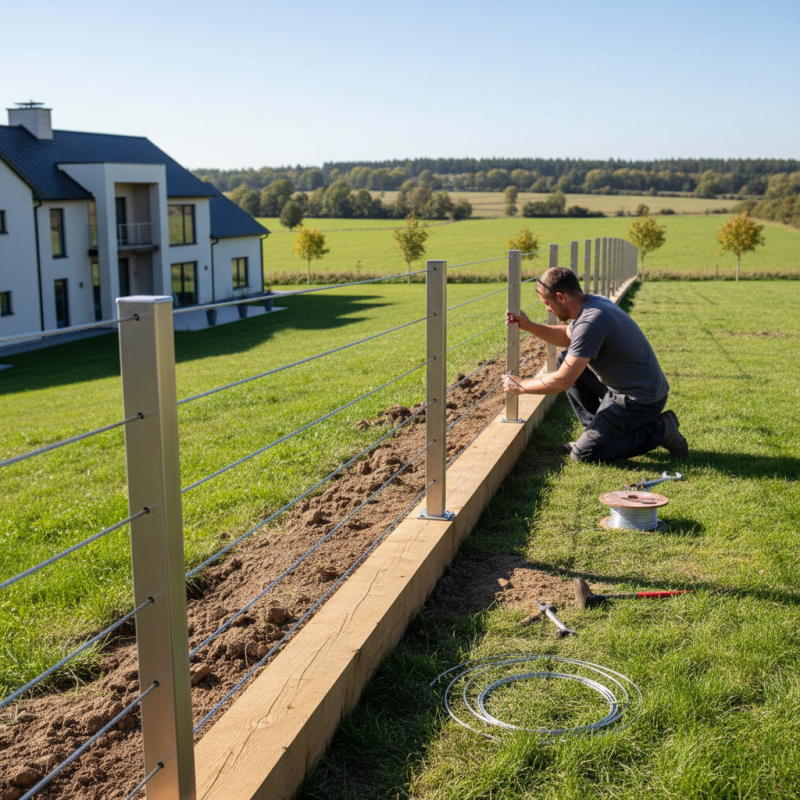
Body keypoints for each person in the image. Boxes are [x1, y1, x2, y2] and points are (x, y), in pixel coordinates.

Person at [502, 267, 687, 463]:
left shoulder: (591, 321)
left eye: (547, 303)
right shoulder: (593, 305)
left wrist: (521, 386)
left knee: (584, 455)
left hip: (640, 400)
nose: (548, 309)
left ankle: (661, 430)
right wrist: (529, 326)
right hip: (632, 388)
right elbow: (566, 336)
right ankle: (595, 432)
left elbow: (563, 380)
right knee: (564, 358)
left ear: (560, 297)